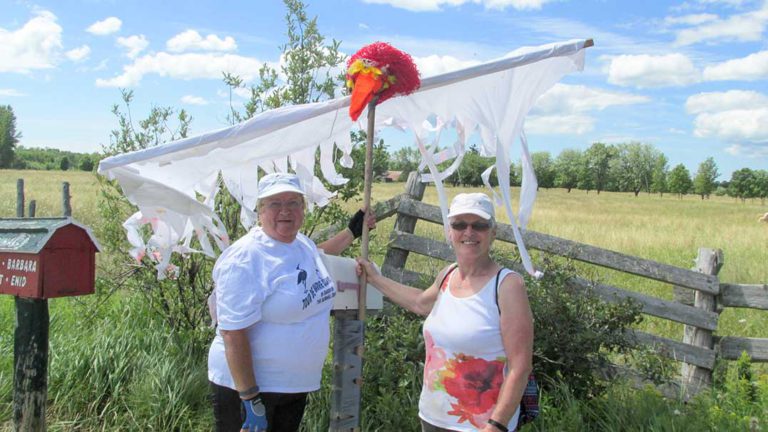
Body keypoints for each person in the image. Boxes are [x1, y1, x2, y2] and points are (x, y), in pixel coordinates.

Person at [208, 172, 375, 432]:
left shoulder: (300, 244)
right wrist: (251, 399)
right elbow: (232, 332)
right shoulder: (245, 258)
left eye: (293, 202)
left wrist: (353, 230)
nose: (285, 210)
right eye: (275, 203)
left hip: (293, 387)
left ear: (303, 208)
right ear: (260, 210)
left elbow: (318, 254)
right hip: (249, 391)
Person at [358, 193, 534, 432]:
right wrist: (375, 279)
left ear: (493, 232)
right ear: (450, 232)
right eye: (459, 225)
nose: (468, 232)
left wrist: (497, 425)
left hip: (480, 425)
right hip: (433, 418)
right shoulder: (448, 274)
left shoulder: (507, 285)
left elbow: (520, 366)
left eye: (479, 225)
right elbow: (420, 302)